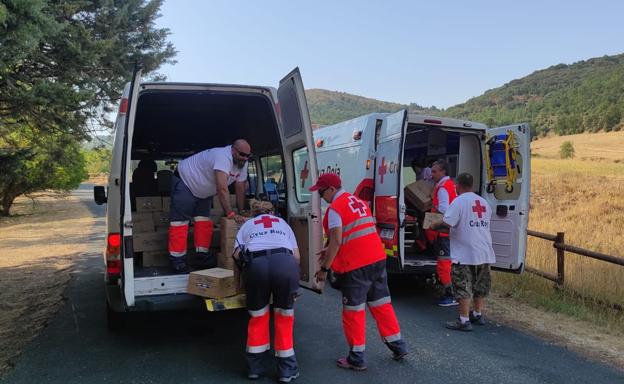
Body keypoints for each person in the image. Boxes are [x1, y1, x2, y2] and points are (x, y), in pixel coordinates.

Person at [310, 173, 408, 371]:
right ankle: (398, 345)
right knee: (381, 304)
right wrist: (329, 249)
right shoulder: (359, 202)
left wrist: (324, 269)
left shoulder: (336, 208)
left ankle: (356, 358)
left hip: (356, 266)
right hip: (377, 260)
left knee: (353, 311)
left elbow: (337, 239)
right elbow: (352, 232)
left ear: (331, 189)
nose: (321, 197)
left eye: (321, 193)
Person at [233, 200, 301, 382]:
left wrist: (241, 281)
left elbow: (236, 254)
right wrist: (294, 283)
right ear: (272, 213)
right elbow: (296, 256)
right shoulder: (283, 224)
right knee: (284, 316)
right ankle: (287, 371)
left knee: (258, 316)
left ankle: (254, 369)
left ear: (254, 213)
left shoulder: (247, 225)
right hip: (285, 266)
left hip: (257, 267)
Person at [168, 139, 251, 273]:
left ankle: (202, 257)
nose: (245, 158)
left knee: (204, 222)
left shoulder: (243, 163)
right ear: (233, 151)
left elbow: (240, 186)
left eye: (248, 156)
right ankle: (177, 261)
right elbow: (222, 188)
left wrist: (242, 211)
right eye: (242, 155)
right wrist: (230, 213)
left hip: (204, 191)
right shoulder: (223, 157)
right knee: (180, 223)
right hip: (186, 181)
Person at [430, 173, 495, 331]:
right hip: (484, 250)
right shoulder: (483, 202)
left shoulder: (458, 202)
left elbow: (447, 222)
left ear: (458, 185)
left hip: (465, 252)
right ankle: (478, 315)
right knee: (480, 284)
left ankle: (464, 320)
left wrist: (433, 225)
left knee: (463, 285)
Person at [425, 159, 458, 306]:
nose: (432, 174)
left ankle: (450, 294)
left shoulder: (443, 187)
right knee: (447, 262)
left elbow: (445, 208)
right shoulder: (449, 184)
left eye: (434, 171)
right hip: (449, 230)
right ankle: (451, 292)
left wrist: (433, 212)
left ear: (443, 171)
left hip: (443, 230)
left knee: (444, 264)